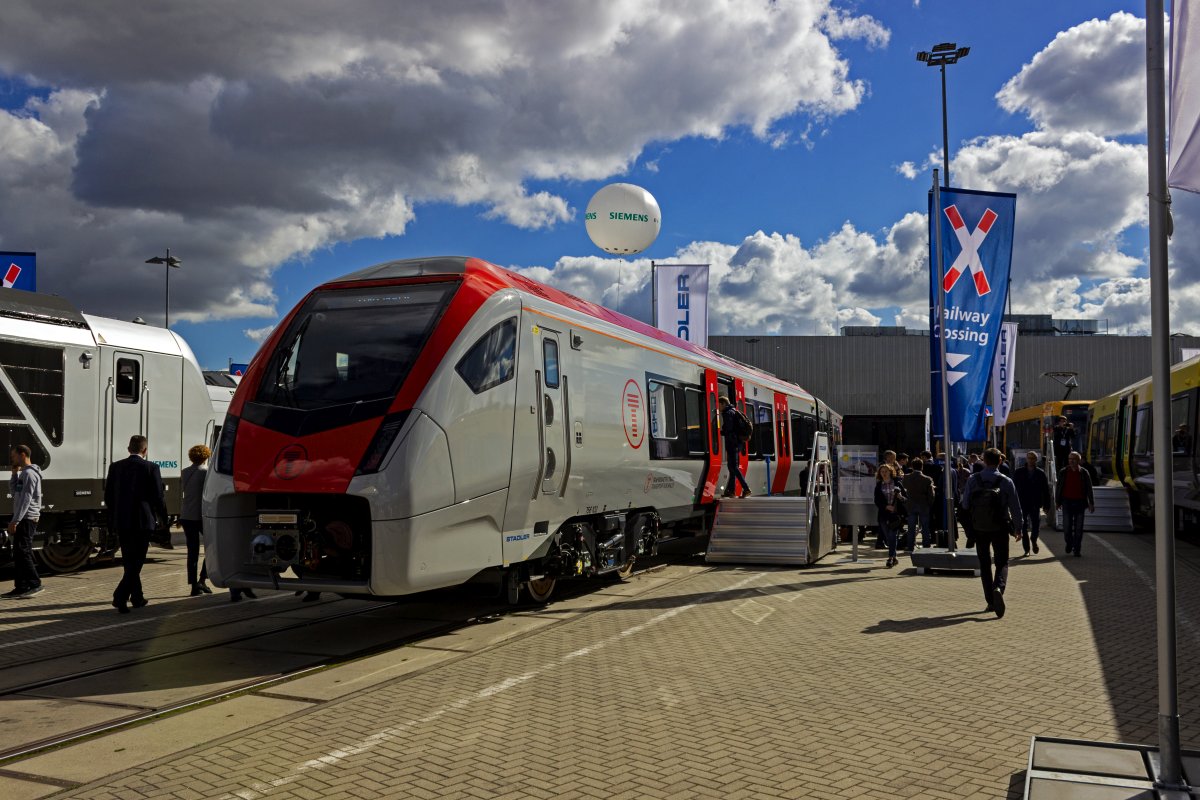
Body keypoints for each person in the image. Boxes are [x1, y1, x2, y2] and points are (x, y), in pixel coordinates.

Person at [106, 435, 168, 613]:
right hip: (143, 521)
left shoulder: (115, 467)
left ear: (128, 449)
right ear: (145, 450)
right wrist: (163, 518)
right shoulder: (151, 468)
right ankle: (120, 596)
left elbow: (109, 496)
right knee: (137, 561)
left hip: (123, 521)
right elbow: (158, 497)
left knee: (128, 560)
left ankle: (137, 597)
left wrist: (115, 516)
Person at [961, 448, 1023, 618]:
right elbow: (1015, 508)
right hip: (1000, 527)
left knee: (984, 563)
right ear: (1000, 462)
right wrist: (1019, 528)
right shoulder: (1006, 481)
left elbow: (965, 505)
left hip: (979, 528)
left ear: (983, 461)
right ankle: (999, 588)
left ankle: (990, 600)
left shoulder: (973, 479)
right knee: (1002, 561)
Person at [4, 445, 43, 599]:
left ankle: (35, 584)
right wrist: (14, 475)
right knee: (19, 552)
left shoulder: (29, 474)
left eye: (14, 456)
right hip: (24, 518)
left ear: (22, 455)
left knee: (23, 551)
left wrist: (15, 520)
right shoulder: (23, 474)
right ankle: (21, 587)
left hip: (27, 518)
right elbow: (15, 493)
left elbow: (25, 500)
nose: (12, 459)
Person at [180, 444, 213, 596]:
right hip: (200, 516)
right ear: (206, 457)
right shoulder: (206, 473)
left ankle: (193, 586)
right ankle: (203, 579)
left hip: (187, 516)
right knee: (212, 547)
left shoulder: (185, 472)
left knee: (192, 551)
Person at [1055, 451, 1095, 557]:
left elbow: (1089, 488)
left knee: (1078, 528)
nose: (1071, 461)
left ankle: (1077, 549)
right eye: (1069, 459)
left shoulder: (1084, 472)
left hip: (1080, 503)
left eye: (1074, 459)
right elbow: (1059, 487)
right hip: (1066, 502)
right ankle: (1069, 543)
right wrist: (1057, 502)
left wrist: (1091, 502)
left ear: (1079, 460)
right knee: (1067, 527)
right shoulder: (1063, 472)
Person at [1013, 451, 1051, 556]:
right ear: (1026, 459)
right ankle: (1026, 549)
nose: (1030, 460)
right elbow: (1013, 489)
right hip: (1022, 502)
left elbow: (1045, 490)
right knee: (1023, 526)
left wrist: (1047, 505)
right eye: (1029, 458)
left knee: (1036, 524)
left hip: (1035, 502)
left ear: (1036, 460)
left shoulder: (1040, 473)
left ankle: (1033, 539)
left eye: (1033, 458)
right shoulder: (1019, 472)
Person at [717, 396, 751, 499]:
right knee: (731, 467)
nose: (718, 407)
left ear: (723, 404)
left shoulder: (727, 413)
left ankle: (746, 489)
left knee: (734, 467)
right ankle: (731, 491)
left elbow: (729, 429)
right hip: (737, 443)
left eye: (719, 404)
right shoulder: (733, 411)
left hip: (733, 444)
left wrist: (720, 431)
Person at [873, 464, 906, 568]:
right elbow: (876, 500)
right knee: (888, 539)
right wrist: (886, 506)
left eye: (886, 471)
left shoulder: (897, 483)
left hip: (895, 515)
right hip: (883, 515)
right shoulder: (879, 485)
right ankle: (894, 558)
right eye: (882, 472)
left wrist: (900, 496)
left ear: (891, 472)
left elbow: (905, 499)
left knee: (892, 536)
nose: (884, 473)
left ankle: (890, 558)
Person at [902, 457, 935, 549]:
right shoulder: (928, 479)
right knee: (925, 527)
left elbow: (903, 491)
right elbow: (931, 495)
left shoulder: (906, 477)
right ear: (922, 467)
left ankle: (910, 545)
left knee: (911, 527)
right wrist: (930, 504)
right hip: (924, 505)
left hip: (910, 504)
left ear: (912, 466)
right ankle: (926, 545)